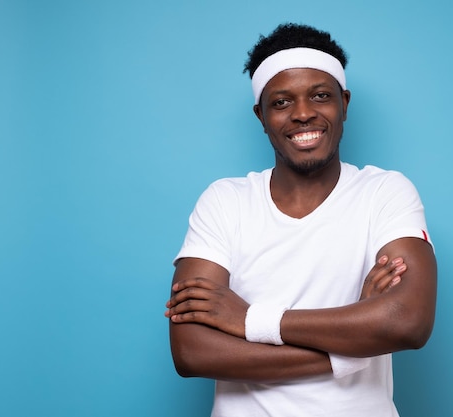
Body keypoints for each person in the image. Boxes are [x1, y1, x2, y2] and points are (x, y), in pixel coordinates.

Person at [165, 22, 437, 417]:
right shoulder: (224, 201)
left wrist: (247, 319)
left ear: (344, 102)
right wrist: (349, 349)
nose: (304, 114)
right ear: (260, 114)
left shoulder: (385, 193)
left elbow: (407, 322)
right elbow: (191, 352)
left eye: (321, 96)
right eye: (281, 102)